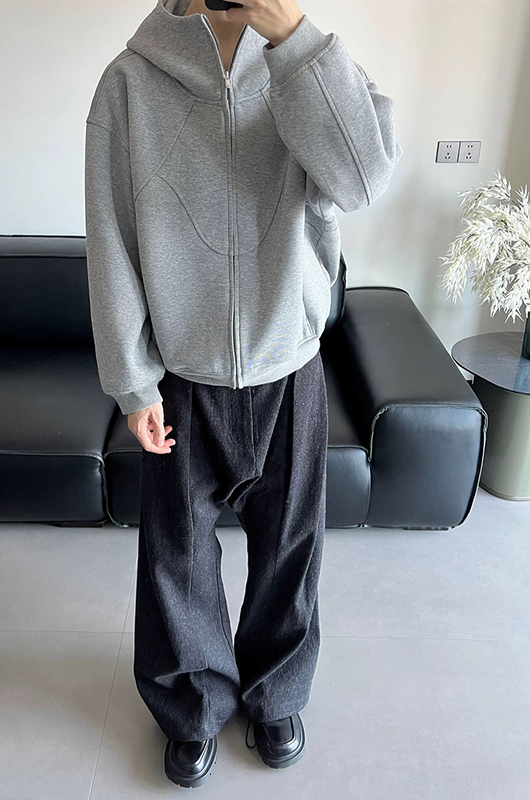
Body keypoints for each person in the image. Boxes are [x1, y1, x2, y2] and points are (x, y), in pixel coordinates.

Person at [84, 0, 402, 788]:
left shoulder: (314, 65)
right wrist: (133, 382)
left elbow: (364, 179)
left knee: (291, 549)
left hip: (290, 366)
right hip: (182, 377)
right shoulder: (130, 83)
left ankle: (276, 692)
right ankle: (192, 705)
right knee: (178, 557)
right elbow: (111, 237)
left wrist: (294, 41)